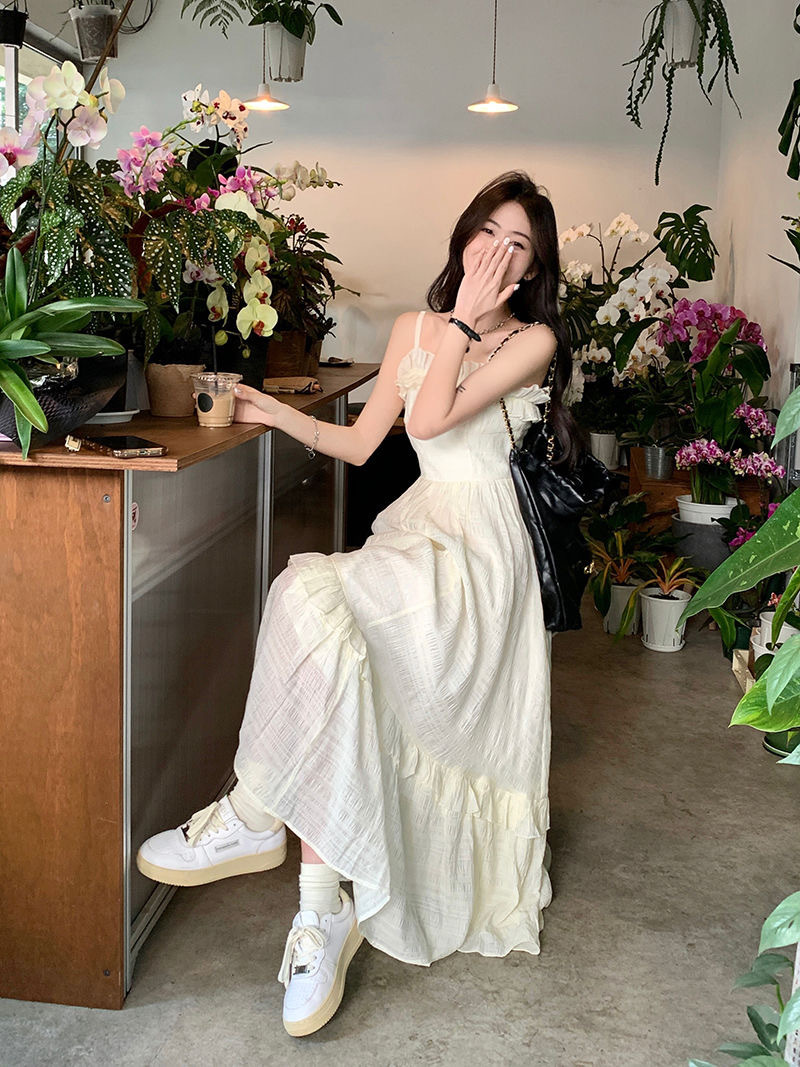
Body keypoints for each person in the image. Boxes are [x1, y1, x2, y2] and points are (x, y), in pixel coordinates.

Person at [136, 170, 580, 1038]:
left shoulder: (534, 340)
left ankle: (254, 815)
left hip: (481, 557)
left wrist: (461, 323)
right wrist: (269, 409)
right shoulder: (414, 327)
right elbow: (363, 441)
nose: (497, 252)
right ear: (464, 235)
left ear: (532, 269)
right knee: (316, 617)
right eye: (487, 231)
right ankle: (316, 900)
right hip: (418, 530)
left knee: (317, 604)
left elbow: (432, 421)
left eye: (518, 244)